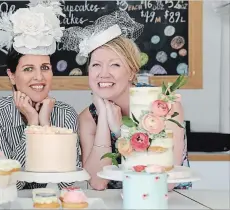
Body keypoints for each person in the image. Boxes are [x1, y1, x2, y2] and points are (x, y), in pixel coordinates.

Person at [62, 11, 192, 191]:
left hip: (169, 201)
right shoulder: (88, 117)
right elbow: (97, 182)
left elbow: (166, 181)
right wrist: (103, 121)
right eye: (96, 65)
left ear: (132, 72)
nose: (103, 73)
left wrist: (119, 130)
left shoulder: (163, 105)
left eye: (115, 64)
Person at [0, 1, 81, 190]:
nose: (39, 77)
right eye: (28, 69)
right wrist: (32, 124)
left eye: (45, 68)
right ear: (12, 75)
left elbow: (67, 182)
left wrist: (45, 125)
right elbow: (11, 182)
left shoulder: (66, 114)